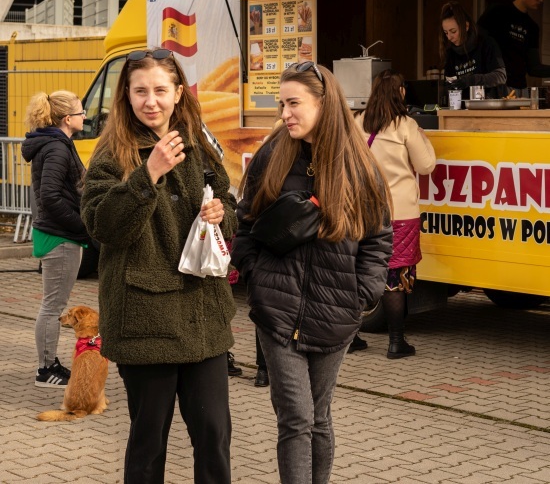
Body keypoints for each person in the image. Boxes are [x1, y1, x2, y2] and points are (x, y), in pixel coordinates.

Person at [231, 61, 393, 484]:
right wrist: (255, 276)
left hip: (335, 313)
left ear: (325, 104)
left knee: (319, 418)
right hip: (277, 312)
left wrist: (363, 294)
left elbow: (378, 237)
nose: (285, 114)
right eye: (281, 104)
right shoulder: (274, 153)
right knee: (296, 417)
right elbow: (244, 221)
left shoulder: (359, 164)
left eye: (293, 103)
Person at [80, 48, 237, 484]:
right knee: (149, 442)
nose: (152, 101)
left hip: (203, 318)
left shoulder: (199, 144)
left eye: (161, 90)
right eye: (140, 91)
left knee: (213, 436)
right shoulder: (112, 154)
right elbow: (101, 227)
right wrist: (146, 174)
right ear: (126, 96)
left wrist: (223, 213)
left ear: (178, 92)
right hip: (146, 322)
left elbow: (230, 205)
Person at [360, 68, 436, 359]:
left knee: (362, 271)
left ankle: (350, 337)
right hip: (400, 212)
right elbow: (426, 165)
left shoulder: (358, 122)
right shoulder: (406, 125)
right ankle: (395, 342)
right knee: (395, 275)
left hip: (365, 210)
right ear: (401, 92)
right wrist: (423, 138)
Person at [21, 90, 89, 388]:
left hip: (58, 233)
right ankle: (46, 369)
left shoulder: (57, 144)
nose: (85, 115)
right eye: (81, 111)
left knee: (52, 304)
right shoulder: (58, 148)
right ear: (67, 118)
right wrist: (81, 226)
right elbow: (49, 197)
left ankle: (48, 364)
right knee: (53, 306)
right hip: (59, 236)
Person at [478, 0, 550, 97]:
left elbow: (533, 67)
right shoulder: (497, 12)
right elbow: (477, 43)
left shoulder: (532, 27)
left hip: (520, 87)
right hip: (496, 87)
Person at [440, 1, 507, 99]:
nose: (449, 37)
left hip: (489, 105)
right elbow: (450, 84)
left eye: (453, 31)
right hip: (461, 108)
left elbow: (501, 76)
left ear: (466, 26)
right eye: (446, 33)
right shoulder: (450, 53)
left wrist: (471, 80)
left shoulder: (486, 43)